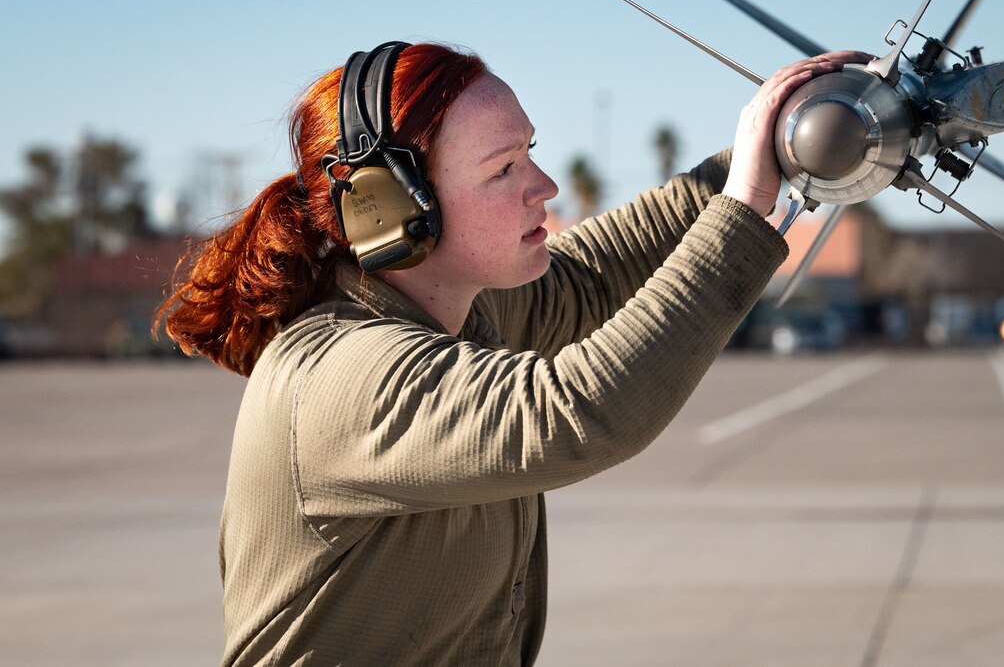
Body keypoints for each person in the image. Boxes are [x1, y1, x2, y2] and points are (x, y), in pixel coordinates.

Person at [156, 42, 868, 665]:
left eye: (530, 152)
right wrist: (743, 212)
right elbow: (574, 412)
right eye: (503, 170)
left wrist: (793, 143)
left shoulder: (465, 309)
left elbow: (593, 273)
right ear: (388, 208)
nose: (545, 188)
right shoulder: (341, 376)